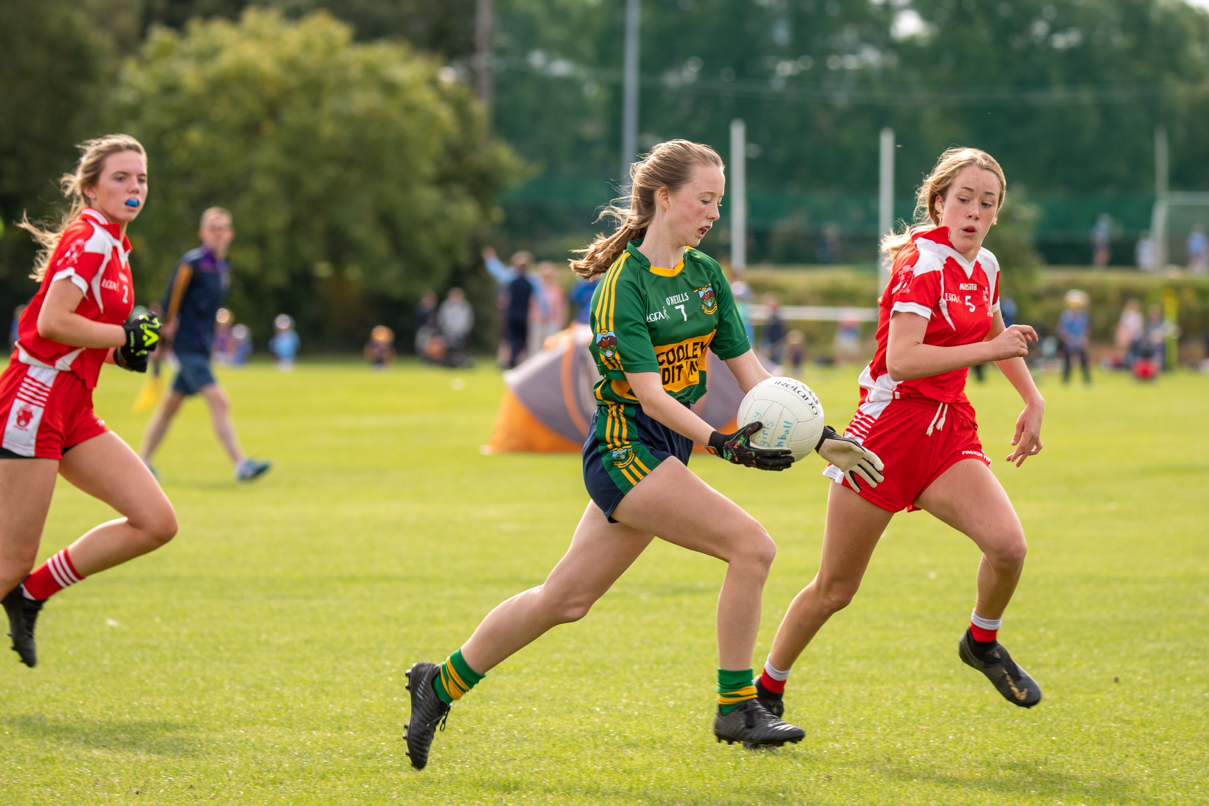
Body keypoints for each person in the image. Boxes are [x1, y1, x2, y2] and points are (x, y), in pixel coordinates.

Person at [403, 140, 884, 769]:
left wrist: (822, 436)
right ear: (665, 197)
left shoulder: (705, 276)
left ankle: (437, 684)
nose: (714, 213)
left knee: (564, 600)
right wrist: (723, 444)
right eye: (704, 199)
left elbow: (755, 377)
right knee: (752, 547)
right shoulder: (622, 287)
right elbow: (651, 398)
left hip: (665, 455)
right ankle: (737, 707)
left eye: (720, 201)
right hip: (626, 449)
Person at [754, 148, 1046, 725]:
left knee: (1008, 547)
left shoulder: (984, 264)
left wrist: (1032, 397)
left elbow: (991, 327)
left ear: (995, 216)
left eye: (987, 204)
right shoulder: (920, 263)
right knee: (835, 589)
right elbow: (903, 358)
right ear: (939, 202)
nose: (973, 211)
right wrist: (993, 348)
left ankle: (980, 642)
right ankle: (764, 690)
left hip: (947, 432)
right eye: (963, 198)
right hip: (886, 437)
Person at [1, 134, 176, 668]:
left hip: (73, 405)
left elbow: (82, 331)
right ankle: (19, 585)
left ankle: (31, 594)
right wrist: (125, 337)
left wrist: (122, 349)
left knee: (154, 521)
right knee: (9, 561)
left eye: (141, 178)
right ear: (93, 187)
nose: (134, 187)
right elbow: (53, 322)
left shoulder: (114, 243)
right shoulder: (95, 239)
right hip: (36, 399)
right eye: (121, 178)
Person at [137, 208, 271, 482]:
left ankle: (141, 464)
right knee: (220, 401)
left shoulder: (222, 268)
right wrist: (163, 338)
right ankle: (241, 465)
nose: (218, 233)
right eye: (213, 227)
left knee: (170, 407)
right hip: (186, 347)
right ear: (203, 233)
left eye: (223, 228)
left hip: (201, 348)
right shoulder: (192, 263)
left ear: (230, 234)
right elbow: (170, 301)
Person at [1056, 289, 1091, 385]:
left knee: (1084, 361)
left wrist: (1083, 339)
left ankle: (1087, 380)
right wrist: (1068, 338)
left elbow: (1085, 329)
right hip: (1069, 342)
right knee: (1067, 362)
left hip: (1079, 341)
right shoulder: (1066, 316)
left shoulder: (1083, 316)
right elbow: (1062, 329)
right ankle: (1065, 380)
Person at [1115, 298, 1144, 368]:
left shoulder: (1136, 315)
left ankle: (1132, 365)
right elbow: (1124, 326)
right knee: (1130, 352)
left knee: (1134, 351)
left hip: (1135, 337)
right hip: (1130, 336)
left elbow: (1138, 327)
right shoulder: (1127, 315)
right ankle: (1128, 365)